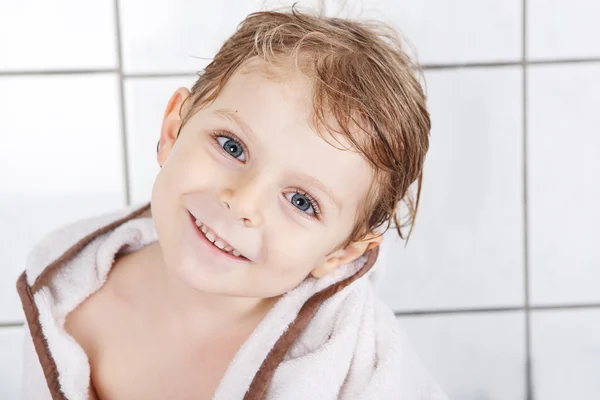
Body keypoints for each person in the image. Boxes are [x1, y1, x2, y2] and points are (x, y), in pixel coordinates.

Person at [17, 7, 448, 400]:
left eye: (301, 201)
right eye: (232, 146)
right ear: (173, 130)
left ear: (342, 251)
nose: (242, 202)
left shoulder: (353, 361)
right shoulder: (67, 304)